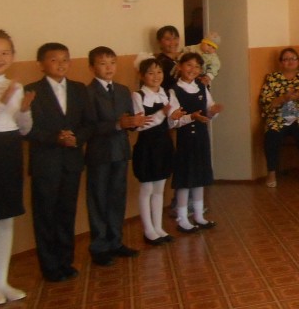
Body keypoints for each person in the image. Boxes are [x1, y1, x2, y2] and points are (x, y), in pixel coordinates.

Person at [25, 42, 93, 282]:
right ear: (41, 64)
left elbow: (88, 123)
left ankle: (65, 261)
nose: (61, 64)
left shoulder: (78, 89)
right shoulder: (31, 91)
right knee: (45, 214)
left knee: (67, 212)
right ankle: (50, 266)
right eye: (54, 60)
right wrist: (55, 138)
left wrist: (77, 138)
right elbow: (27, 129)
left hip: (71, 160)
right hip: (46, 162)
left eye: (65, 59)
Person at [86, 46, 145, 266]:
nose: (109, 68)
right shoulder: (88, 92)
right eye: (103, 63)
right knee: (98, 199)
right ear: (92, 67)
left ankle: (115, 241)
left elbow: (129, 119)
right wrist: (118, 124)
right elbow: (88, 127)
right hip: (99, 153)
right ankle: (99, 246)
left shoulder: (122, 90)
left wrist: (134, 123)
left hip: (120, 151)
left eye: (112, 62)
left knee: (117, 198)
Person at [0, 30, 33, 304]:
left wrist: (25, 110)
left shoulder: (15, 86)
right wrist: (2, 102)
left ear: (13, 55)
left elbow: (24, 129)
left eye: (5, 52)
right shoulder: (9, 91)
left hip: (9, 149)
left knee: (6, 217)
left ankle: (2, 280)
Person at [168, 52, 223, 233]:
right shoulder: (174, 90)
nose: (193, 69)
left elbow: (209, 110)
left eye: (197, 67)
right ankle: (182, 218)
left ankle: (199, 215)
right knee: (185, 179)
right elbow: (174, 120)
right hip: (184, 139)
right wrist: (192, 117)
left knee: (200, 176)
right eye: (189, 65)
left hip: (201, 137)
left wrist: (213, 112)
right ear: (180, 66)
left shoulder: (201, 87)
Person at [258, 47, 299, 187]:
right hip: (279, 117)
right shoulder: (272, 78)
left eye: (293, 59)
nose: (290, 62)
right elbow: (266, 102)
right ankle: (271, 172)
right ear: (280, 62)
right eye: (286, 59)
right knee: (271, 135)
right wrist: (283, 98)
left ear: (298, 61)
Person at [131, 58, 175, 245]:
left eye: (159, 72)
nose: (156, 76)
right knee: (147, 189)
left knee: (159, 189)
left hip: (164, 144)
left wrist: (176, 117)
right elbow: (140, 125)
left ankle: (158, 227)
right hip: (147, 146)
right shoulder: (138, 96)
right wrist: (161, 114)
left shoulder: (166, 94)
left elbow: (171, 122)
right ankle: (148, 229)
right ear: (142, 76)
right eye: (150, 73)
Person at [153, 25, 183, 93]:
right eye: (168, 39)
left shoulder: (181, 58)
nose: (172, 42)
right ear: (159, 42)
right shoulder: (161, 62)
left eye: (175, 38)